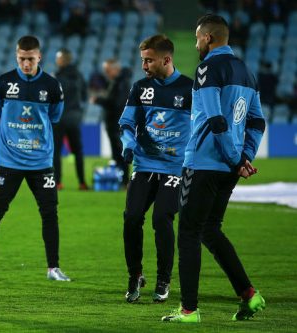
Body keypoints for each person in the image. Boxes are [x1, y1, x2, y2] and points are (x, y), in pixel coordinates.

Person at [161, 14, 266, 323]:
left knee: (189, 233)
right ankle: (249, 294)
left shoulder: (208, 68)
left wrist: (236, 158)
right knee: (210, 230)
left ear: (208, 38)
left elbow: (215, 118)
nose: (195, 44)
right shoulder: (246, 72)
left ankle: (189, 310)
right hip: (227, 169)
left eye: (197, 38)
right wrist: (244, 155)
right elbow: (257, 121)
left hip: (205, 162)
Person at [0, 35, 70, 283]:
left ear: (39, 57)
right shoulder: (3, 83)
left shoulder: (52, 86)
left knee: (49, 213)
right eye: (22, 59)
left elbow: (55, 118)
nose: (26, 64)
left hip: (41, 162)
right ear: (16, 56)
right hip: (9, 161)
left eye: (30, 59)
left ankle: (53, 268)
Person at [119, 35, 193, 304]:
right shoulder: (140, 88)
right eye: (142, 60)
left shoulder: (189, 89)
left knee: (162, 218)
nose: (144, 66)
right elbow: (127, 123)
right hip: (145, 164)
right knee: (131, 217)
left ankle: (164, 279)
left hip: (175, 167)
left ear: (167, 59)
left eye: (149, 60)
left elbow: (200, 128)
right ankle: (135, 274)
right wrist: (128, 144)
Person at [91, 59, 131, 186]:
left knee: (120, 151)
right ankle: (119, 179)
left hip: (117, 123)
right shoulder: (115, 82)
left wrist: (99, 100)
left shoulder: (121, 83)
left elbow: (117, 103)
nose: (106, 73)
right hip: (113, 122)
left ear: (116, 69)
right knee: (116, 152)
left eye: (108, 70)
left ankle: (124, 181)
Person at [53, 48, 88, 190]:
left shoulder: (57, 77)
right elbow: (85, 96)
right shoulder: (79, 76)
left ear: (63, 60)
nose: (56, 60)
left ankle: (57, 182)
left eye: (58, 58)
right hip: (74, 118)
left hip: (60, 118)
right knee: (78, 151)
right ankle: (82, 182)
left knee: (56, 151)